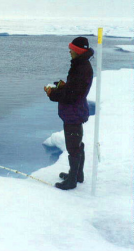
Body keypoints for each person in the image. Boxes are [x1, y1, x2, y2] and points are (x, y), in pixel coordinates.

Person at [44, 37, 94, 190]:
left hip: (73, 112)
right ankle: (77, 174)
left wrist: (52, 93)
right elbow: (73, 89)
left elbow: (72, 95)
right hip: (75, 111)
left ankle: (72, 180)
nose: (69, 51)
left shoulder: (81, 68)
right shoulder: (81, 65)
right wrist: (62, 86)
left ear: (78, 51)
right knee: (76, 144)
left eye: (72, 49)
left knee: (73, 146)